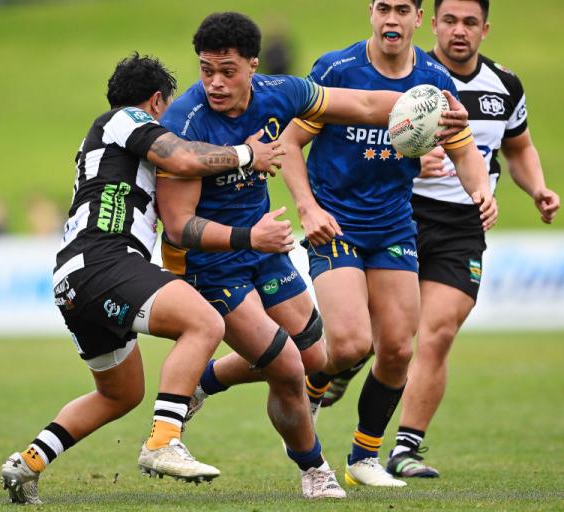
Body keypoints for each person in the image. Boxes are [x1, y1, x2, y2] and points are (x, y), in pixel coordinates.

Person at [156, 12, 468, 499]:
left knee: (317, 357)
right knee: (286, 366)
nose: (216, 83)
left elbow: (364, 103)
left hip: (266, 248)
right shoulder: (184, 122)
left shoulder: (281, 93)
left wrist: (429, 109)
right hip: (214, 259)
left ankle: (206, 379)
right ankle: (314, 468)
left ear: (252, 67)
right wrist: (252, 232)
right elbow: (180, 226)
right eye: (206, 70)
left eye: (228, 71)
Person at [0, 52, 284, 505]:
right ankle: (163, 441)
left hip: (75, 277)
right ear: (155, 103)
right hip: (104, 261)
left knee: (120, 394)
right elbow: (184, 158)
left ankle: (28, 462)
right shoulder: (124, 120)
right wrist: (247, 154)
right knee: (206, 323)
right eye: (166, 109)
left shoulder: (108, 141)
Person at [278, 0, 497, 487]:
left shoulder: (436, 83)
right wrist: (308, 209)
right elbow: (289, 143)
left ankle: (364, 457)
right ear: (371, 13)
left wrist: (479, 188)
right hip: (335, 224)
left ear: (420, 19)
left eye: (402, 9)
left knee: (397, 349)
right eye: (383, 8)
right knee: (353, 342)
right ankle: (309, 387)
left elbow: (463, 151)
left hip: (394, 225)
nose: (391, 19)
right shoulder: (337, 69)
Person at [383, 0, 560, 478]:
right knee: (387, 339)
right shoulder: (405, 76)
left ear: (485, 28)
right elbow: (361, 145)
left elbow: (518, 147)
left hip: (464, 224)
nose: (459, 31)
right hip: (401, 214)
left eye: (470, 23)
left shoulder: (504, 85)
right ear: (432, 23)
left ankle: (405, 449)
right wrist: (409, 159)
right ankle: (337, 372)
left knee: (437, 333)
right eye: (450, 21)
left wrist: (537, 188)